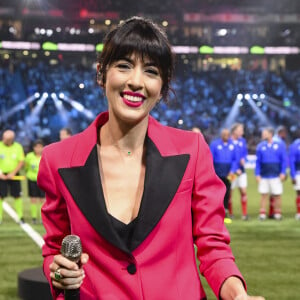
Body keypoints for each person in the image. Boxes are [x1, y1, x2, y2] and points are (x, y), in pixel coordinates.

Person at [38, 16, 264, 300]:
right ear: (101, 73)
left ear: (163, 85)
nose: (136, 82)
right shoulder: (57, 160)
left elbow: (213, 246)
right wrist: (57, 272)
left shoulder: (192, 150)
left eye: (151, 71)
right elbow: (54, 250)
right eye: (124, 66)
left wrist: (237, 294)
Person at [255, 127, 287, 221]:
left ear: (270, 134)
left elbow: (283, 160)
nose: (262, 134)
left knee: (277, 195)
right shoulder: (260, 146)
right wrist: (257, 174)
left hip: (276, 174)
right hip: (264, 175)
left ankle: (277, 213)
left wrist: (283, 172)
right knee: (263, 194)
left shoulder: (279, 145)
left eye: (264, 133)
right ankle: (262, 214)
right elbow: (258, 161)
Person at [210, 128, 237, 223]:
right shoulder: (214, 144)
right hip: (217, 173)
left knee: (227, 193)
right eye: (224, 134)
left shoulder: (233, 145)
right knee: (216, 193)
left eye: (227, 134)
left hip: (229, 174)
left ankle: (225, 212)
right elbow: (210, 158)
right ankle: (214, 213)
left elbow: (235, 160)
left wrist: (232, 171)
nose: (226, 135)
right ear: (221, 135)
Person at [0, 129, 25, 224]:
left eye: (6, 139)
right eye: (4, 138)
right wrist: (0, 173)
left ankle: (20, 217)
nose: (4, 140)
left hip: (14, 175)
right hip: (1, 175)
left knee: (17, 195)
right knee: (0, 196)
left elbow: (21, 161)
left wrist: (13, 173)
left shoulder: (18, 147)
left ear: (11, 139)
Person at [229, 123, 249, 220]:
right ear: (234, 131)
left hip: (242, 171)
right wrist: (234, 169)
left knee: (243, 191)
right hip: (231, 172)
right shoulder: (228, 142)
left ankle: (244, 214)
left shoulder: (243, 141)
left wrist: (244, 159)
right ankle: (230, 213)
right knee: (230, 191)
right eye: (240, 130)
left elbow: (245, 154)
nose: (242, 132)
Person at [269, 125, 288, 218]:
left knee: (272, 192)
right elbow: (283, 158)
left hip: (273, 169)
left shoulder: (275, 140)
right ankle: (275, 212)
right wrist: (283, 171)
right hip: (276, 170)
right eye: (285, 133)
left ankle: (271, 211)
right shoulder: (279, 142)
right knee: (276, 192)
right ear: (281, 133)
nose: (285, 135)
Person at [24, 139, 45, 224]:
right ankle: (34, 218)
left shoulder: (44, 156)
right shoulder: (29, 156)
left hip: (43, 180)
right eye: (36, 147)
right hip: (32, 180)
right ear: (33, 148)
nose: (38, 149)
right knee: (33, 198)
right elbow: (26, 167)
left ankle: (42, 218)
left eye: (40, 147)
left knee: (42, 199)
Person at [289, 129, 300, 220]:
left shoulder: (294, 145)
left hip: (297, 172)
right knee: (299, 193)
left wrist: (293, 175)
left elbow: (292, 161)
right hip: (298, 172)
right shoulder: (295, 145)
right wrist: (293, 175)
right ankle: (299, 212)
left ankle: (299, 212)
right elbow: (292, 161)